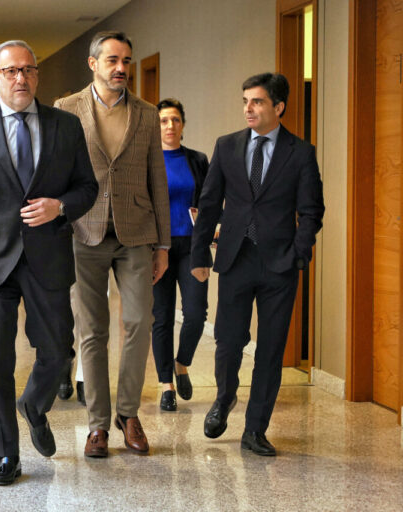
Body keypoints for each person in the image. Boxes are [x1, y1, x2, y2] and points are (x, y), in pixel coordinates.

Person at [0, 40, 98, 485]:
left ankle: (33, 405)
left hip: (47, 255)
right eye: (10, 71)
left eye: (28, 70)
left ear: (37, 75)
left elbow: (88, 188)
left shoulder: (66, 126)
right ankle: (6, 453)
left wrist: (59, 206)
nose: (20, 78)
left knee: (58, 349)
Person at [190, 72, 324, 456]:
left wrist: (299, 251)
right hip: (235, 257)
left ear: (278, 107)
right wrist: (200, 255)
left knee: (270, 348)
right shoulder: (227, 146)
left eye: (258, 101)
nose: (248, 108)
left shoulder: (300, 153)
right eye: (245, 100)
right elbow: (210, 203)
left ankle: (255, 429)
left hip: (279, 264)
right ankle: (224, 398)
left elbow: (312, 210)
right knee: (228, 341)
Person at [54, 31, 171, 458]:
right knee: (93, 330)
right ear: (93, 64)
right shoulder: (66, 111)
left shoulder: (146, 113)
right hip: (84, 231)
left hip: (136, 232)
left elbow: (157, 179)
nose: (121, 67)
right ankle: (97, 425)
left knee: (140, 321)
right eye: (112, 60)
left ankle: (128, 414)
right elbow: (57, 173)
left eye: (126, 60)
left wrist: (163, 245)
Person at [151, 98, 210, 412]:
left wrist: (212, 228)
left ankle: (182, 362)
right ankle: (166, 385)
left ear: (183, 125)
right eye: (163, 121)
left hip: (192, 247)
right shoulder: (147, 161)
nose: (169, 126)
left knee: (196, 313)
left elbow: (211, 202)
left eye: (175, 120)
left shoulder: (198, 160)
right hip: (158, 248)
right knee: (161, 318)